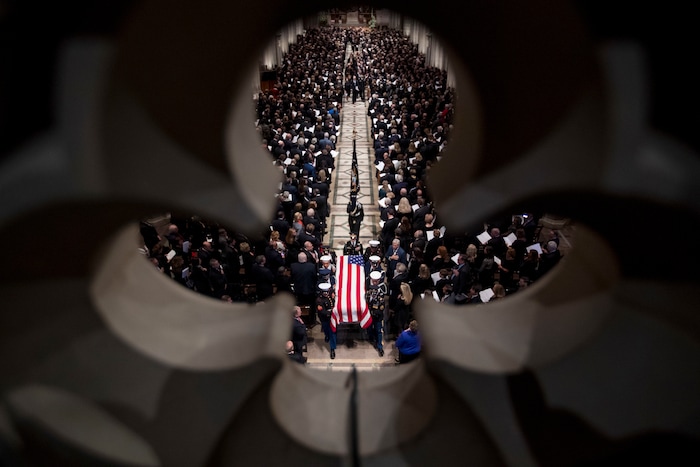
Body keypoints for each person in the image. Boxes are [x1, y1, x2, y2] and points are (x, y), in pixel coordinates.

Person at [366, 270, 387, 357]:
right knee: (369, 329)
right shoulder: (368, 294)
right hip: (369, 315)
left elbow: (381, 307)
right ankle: (371, 337)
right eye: (372, 291)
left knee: (379, 331)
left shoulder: (381, 295)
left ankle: (380, 347)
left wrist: (375, 312)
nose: (373, 293)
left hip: (377, 316)